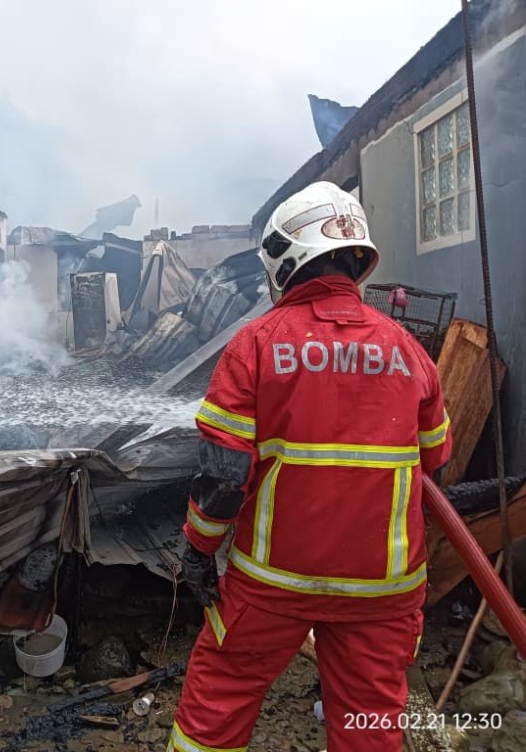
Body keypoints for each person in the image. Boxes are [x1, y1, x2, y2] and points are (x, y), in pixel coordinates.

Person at [168, 181, 453, 752]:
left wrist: (197, 554)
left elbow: (223, 481)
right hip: (384, 590)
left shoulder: (255, 345)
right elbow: (435, 468)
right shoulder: (411, 351)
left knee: (216, 706)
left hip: (274, 581)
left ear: (286, 257)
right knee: (370, 727)